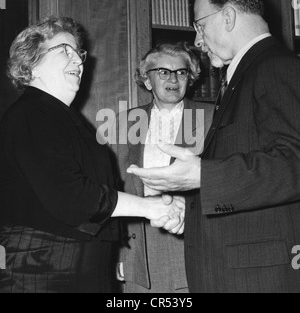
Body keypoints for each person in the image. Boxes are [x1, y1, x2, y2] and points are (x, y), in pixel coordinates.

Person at [127, 0, 300, 293]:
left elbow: (294, 163)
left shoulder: (275, 67)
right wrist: (187, 210)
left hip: (257, 276)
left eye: (200, 26)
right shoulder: (246, 75)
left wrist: (202, 175)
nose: (197, 39)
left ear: (229, 17)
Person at [0, 15, 184, 293]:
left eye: (79, 53)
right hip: (44, 267)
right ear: (32, 63)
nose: (78, 61)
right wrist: (151, 207)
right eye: (65, 51)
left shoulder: (62, 118)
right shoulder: (33, 113)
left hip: (74, 263)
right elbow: (71, 196)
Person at [112, 42, 214, 293]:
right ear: (147, 81)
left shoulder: (213, 117)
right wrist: (118, 255)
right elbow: (111, 188)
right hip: (139, 249)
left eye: (181, 72)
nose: (173, 78)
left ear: (190, 79)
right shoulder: (124, 123)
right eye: (163, 72)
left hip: (194, 242)